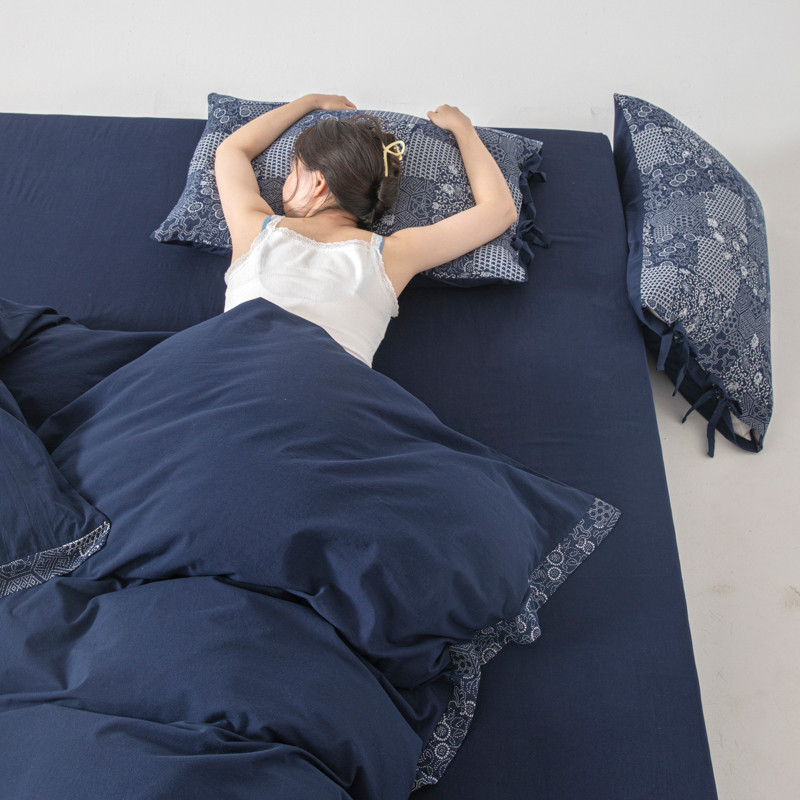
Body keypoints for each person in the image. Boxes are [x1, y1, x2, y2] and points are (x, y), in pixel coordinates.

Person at [215, 93, 517, 366]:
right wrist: (463, 128)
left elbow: (232, 150)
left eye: (292, 172)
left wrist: (310, 102)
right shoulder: (393, 254)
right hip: (329, 390)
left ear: (318, 183)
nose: (284, 184)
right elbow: (500, 210)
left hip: (231, 369)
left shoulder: (256, 229)